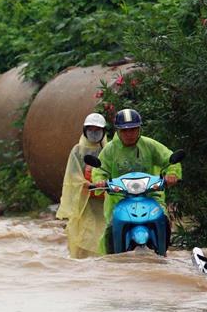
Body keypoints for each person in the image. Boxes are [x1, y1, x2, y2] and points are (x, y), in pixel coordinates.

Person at [91, 109, 182, 253]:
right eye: (125, 130)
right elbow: (99, 170)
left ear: (139, 129)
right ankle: (111, 261)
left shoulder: (149, 145)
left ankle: (163, 253)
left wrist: (172, 174)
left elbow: (169, 159)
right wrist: (99, 181)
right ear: (118, 131)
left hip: (151, 196)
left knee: (164, 220)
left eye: (133, 129)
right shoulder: (109, 150)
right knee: (110, 229)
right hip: (118, 198)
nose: (130, 134)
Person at [57, 113, 108, 258]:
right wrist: (85, 183)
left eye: (97, 130)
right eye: (90, 130)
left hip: (105, 202)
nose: (94, 133)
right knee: (84, 233)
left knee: (103, 232)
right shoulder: (77, 151)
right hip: (85, 202)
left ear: (103, 132)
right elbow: (72, 174)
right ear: (85, 131)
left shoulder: (108, 150)